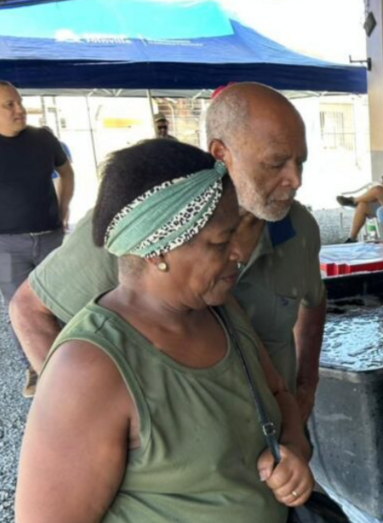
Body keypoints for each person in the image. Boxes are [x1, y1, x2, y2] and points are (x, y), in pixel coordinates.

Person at [15, 140, 312, 523]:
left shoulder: (219, 309)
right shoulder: (89, 369)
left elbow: (277, 393)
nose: (238, 252)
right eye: (221, 242)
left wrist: (293, 447)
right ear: (157, 250)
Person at [10, 83, 326, 422]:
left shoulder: (299, 229)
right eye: (275, 163)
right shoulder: (145, 223)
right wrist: (80, 419)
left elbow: (314, 301)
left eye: (300, 162)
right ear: (221, 154)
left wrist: (305, 390)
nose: (295, 179)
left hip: (275, 444)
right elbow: (29, 309)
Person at [0, 81, 74, 397]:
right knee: (19, 306)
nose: (19, 109)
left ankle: (75, 359)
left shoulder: (43, 139)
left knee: (63, 299)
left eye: (18, 101)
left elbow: (66, 172)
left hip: (50, 237)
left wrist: (64, 206)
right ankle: (35, 367)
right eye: (9, 105)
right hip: (5, 245)